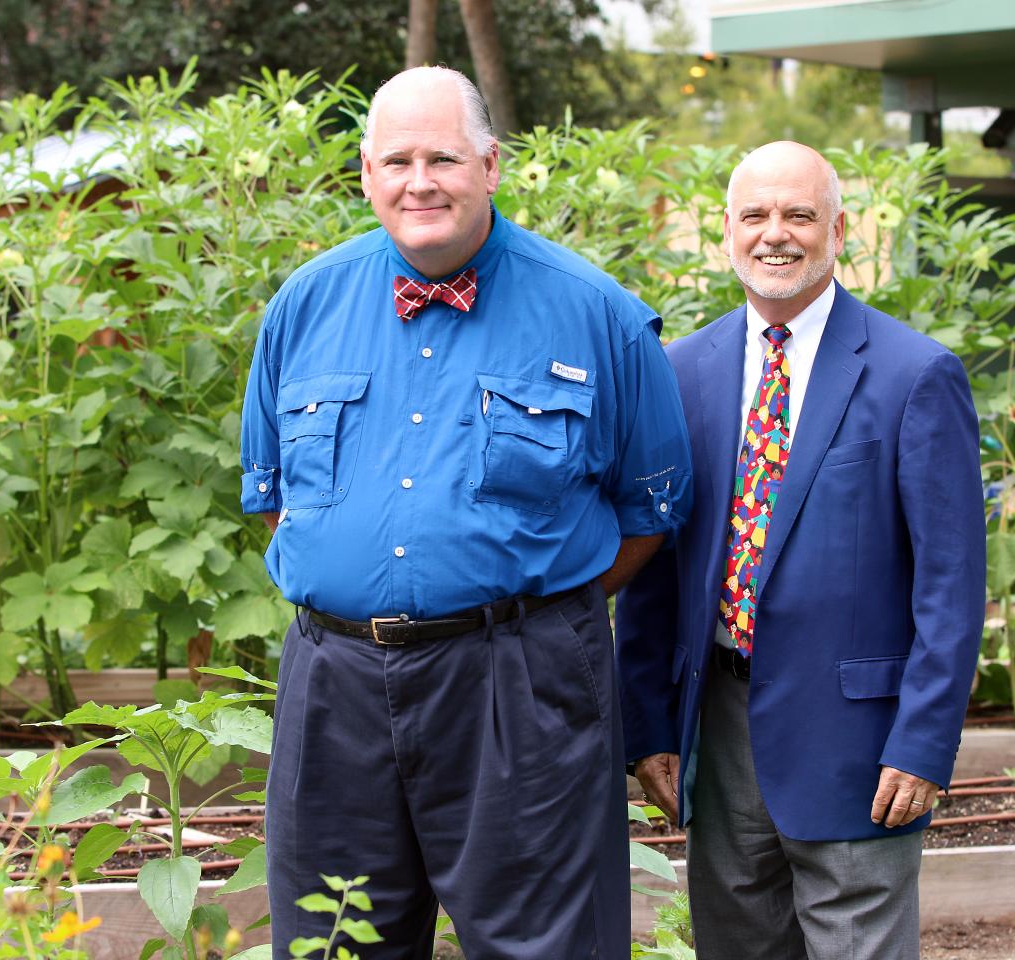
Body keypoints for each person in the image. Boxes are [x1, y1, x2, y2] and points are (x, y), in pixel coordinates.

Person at [239, 66, 692, 959]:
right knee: (332, 942)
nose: (420, 181)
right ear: (365, 174)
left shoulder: (597, 314)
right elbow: (277, 499)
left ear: (491, 164)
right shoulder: (303, 307)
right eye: (397, 160)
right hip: (334, 686)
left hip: (518, 688)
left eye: (443, 157)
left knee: (544, 947)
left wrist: (521, 615)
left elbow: (653, 512)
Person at [616, 141, 985, 960]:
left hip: (860, 743)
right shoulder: (682, 371)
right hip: (716, 728)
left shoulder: (915, 375)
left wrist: (923, 744)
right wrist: (648, 725)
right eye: (755, 215)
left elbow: (951, 589)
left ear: (839, 230)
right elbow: (655, 567)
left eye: (798, 215)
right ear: (725, 231)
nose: (774, 234)